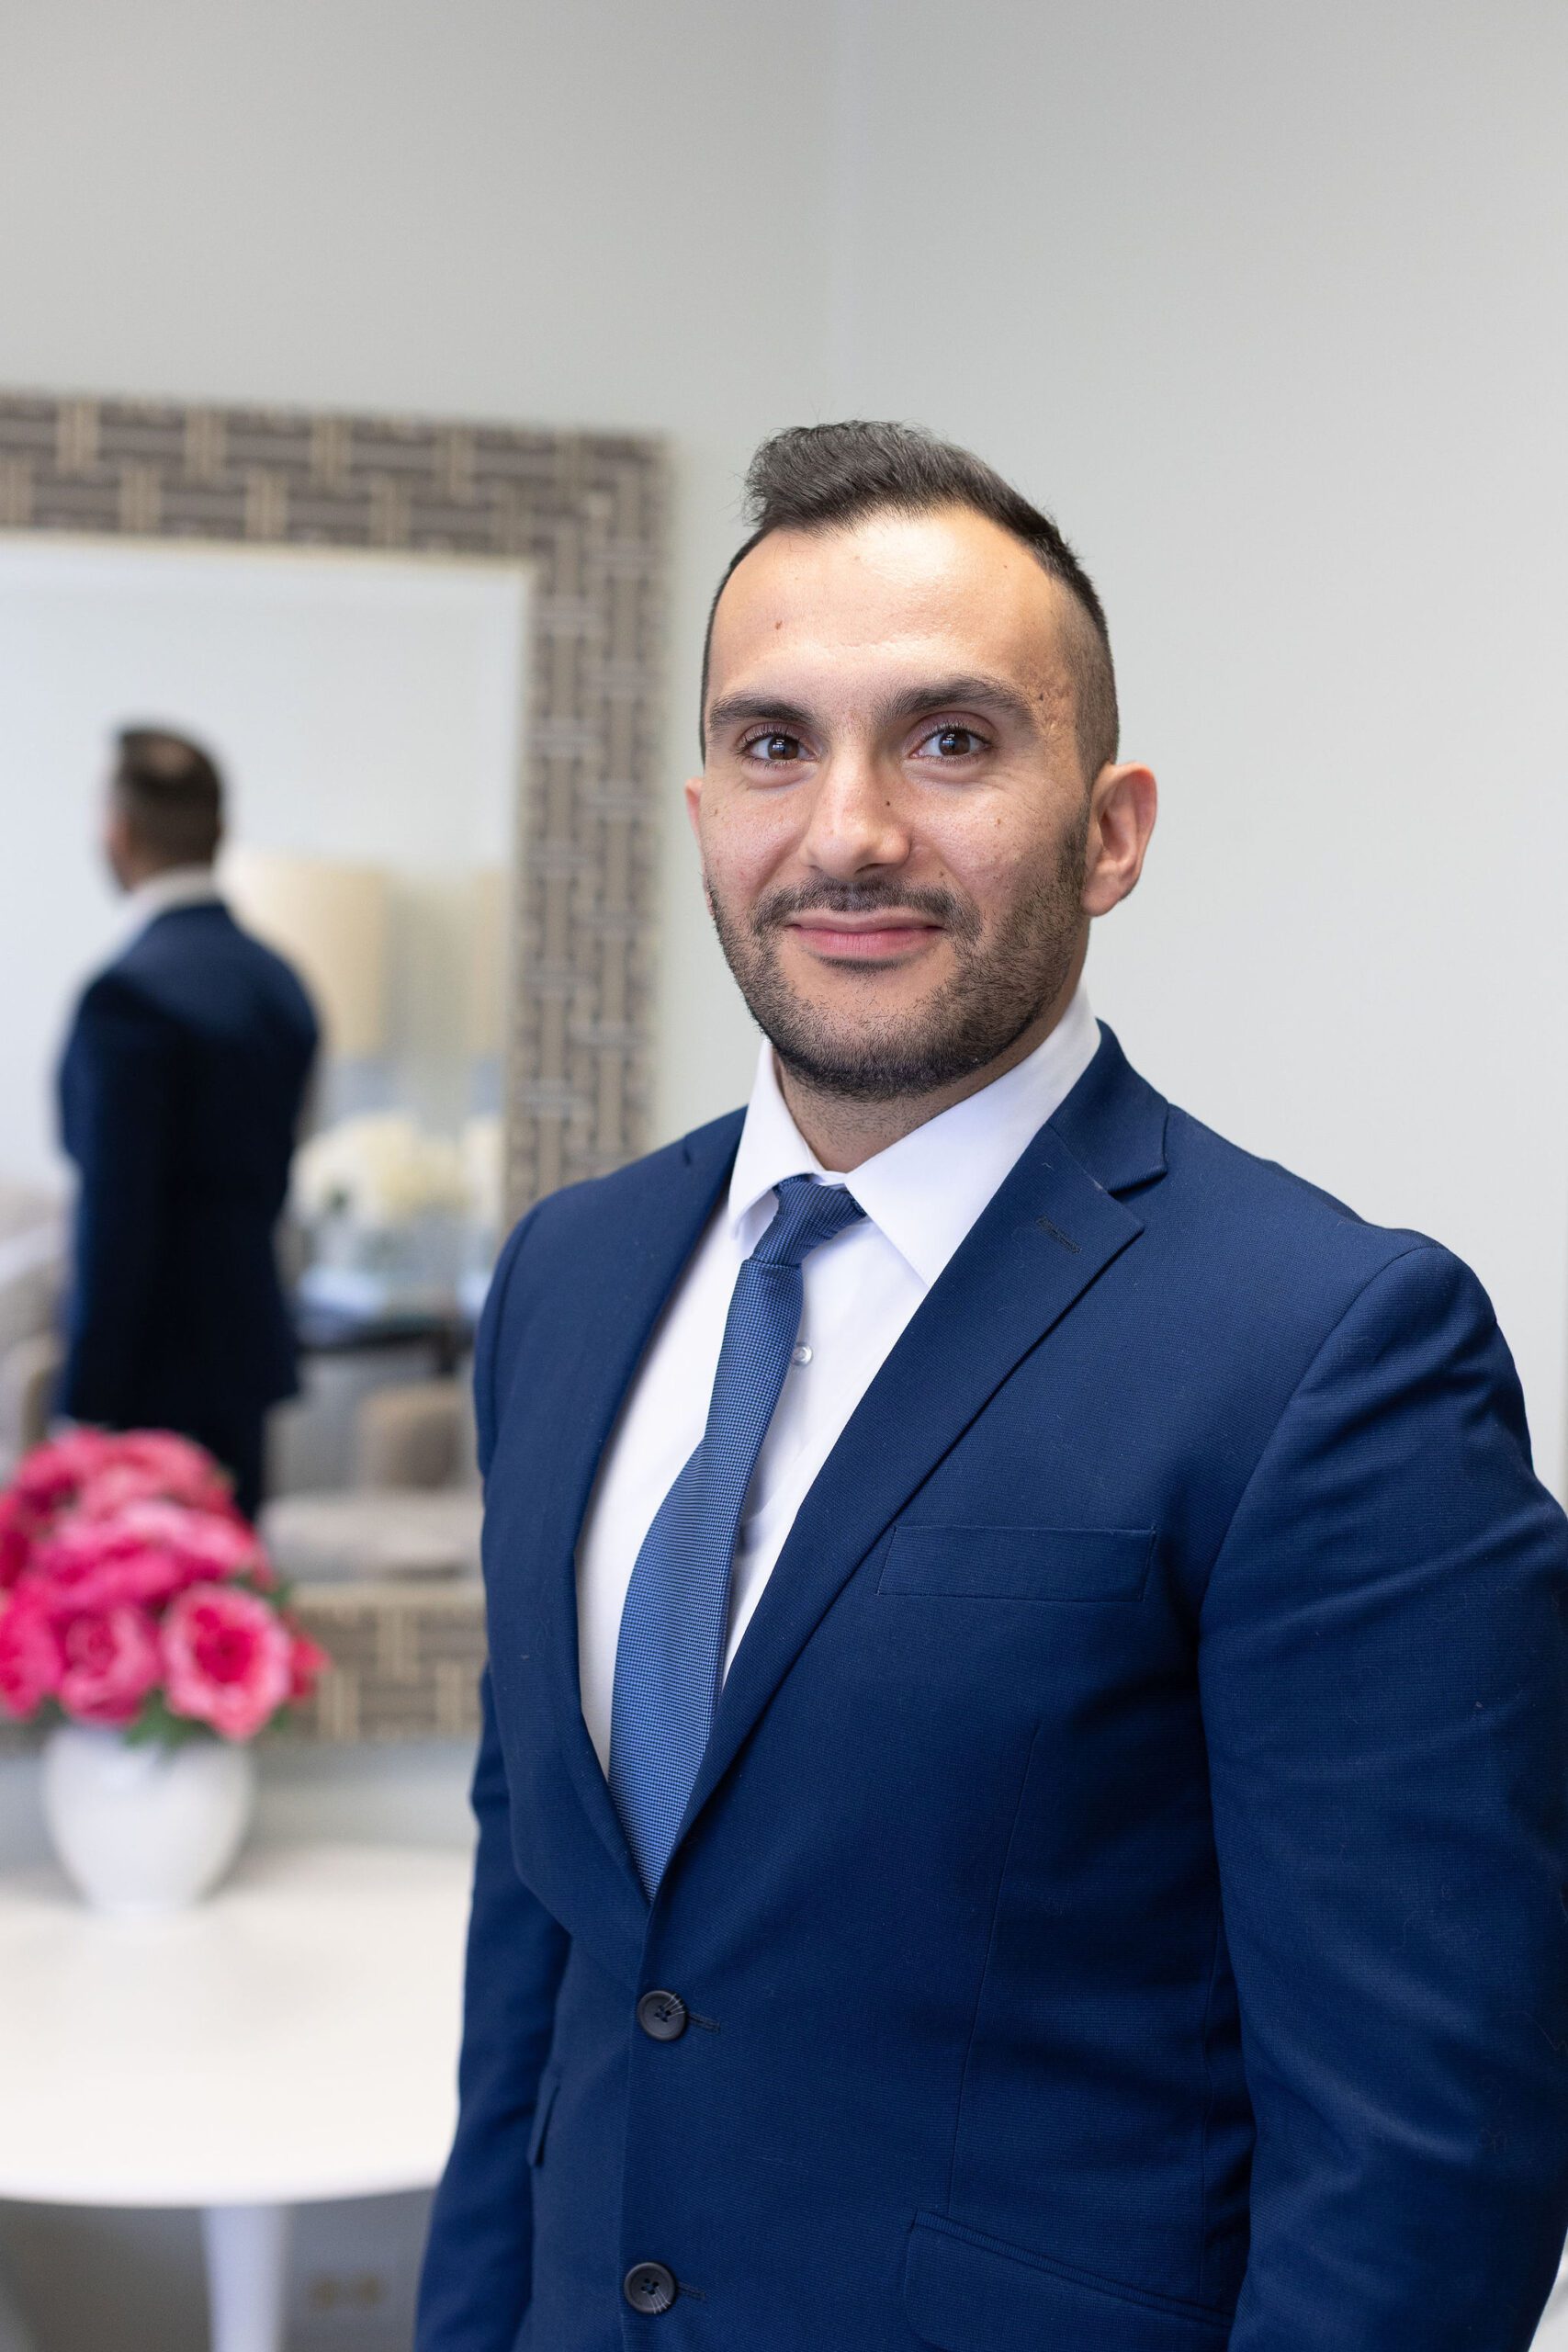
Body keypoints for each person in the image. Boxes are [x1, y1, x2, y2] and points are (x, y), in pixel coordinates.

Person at [417, 423, 1568, 2350]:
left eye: (948, 741)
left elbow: (1422, 2171)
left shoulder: (1328, 1351)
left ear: (1109, 828)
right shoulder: (568, 1275)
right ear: (702, 810)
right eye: (774, 744)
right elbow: (533, 1953)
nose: (847, 829)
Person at [57, 727, 319, 1520]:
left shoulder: (126, 996)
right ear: (219, 832)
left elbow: (116, 1218)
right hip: (244, 1359)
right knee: (235, 1583)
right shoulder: (280, 984)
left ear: (118, 832)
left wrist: (85, 1402)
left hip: (147, 1377)